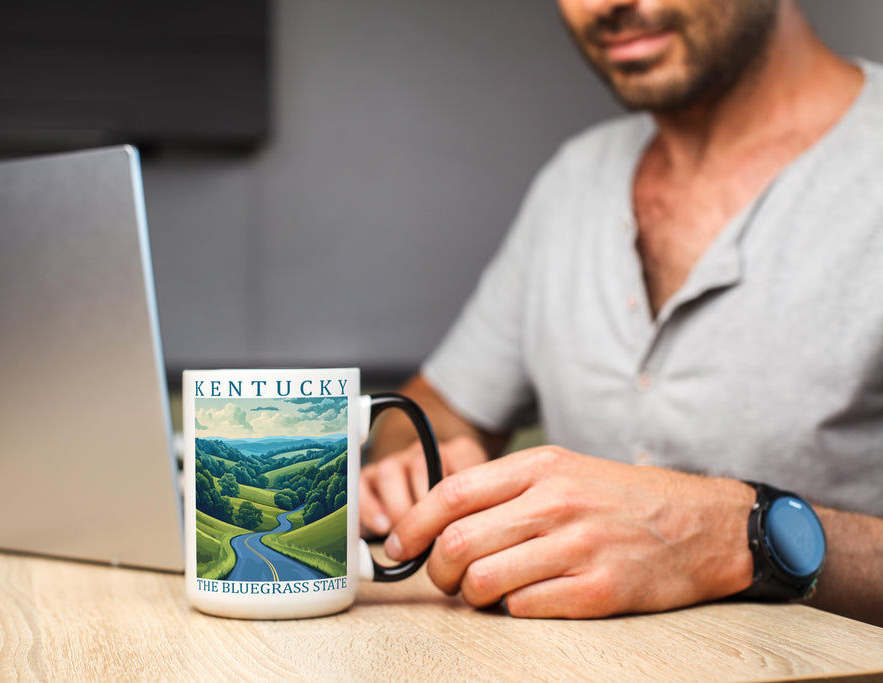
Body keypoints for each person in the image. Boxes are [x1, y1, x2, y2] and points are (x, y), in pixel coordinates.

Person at [359, 0, 883, 626]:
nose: (607, 4)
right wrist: (421, 462)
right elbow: (435, 408)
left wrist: (733, 536)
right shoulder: (573, 182)